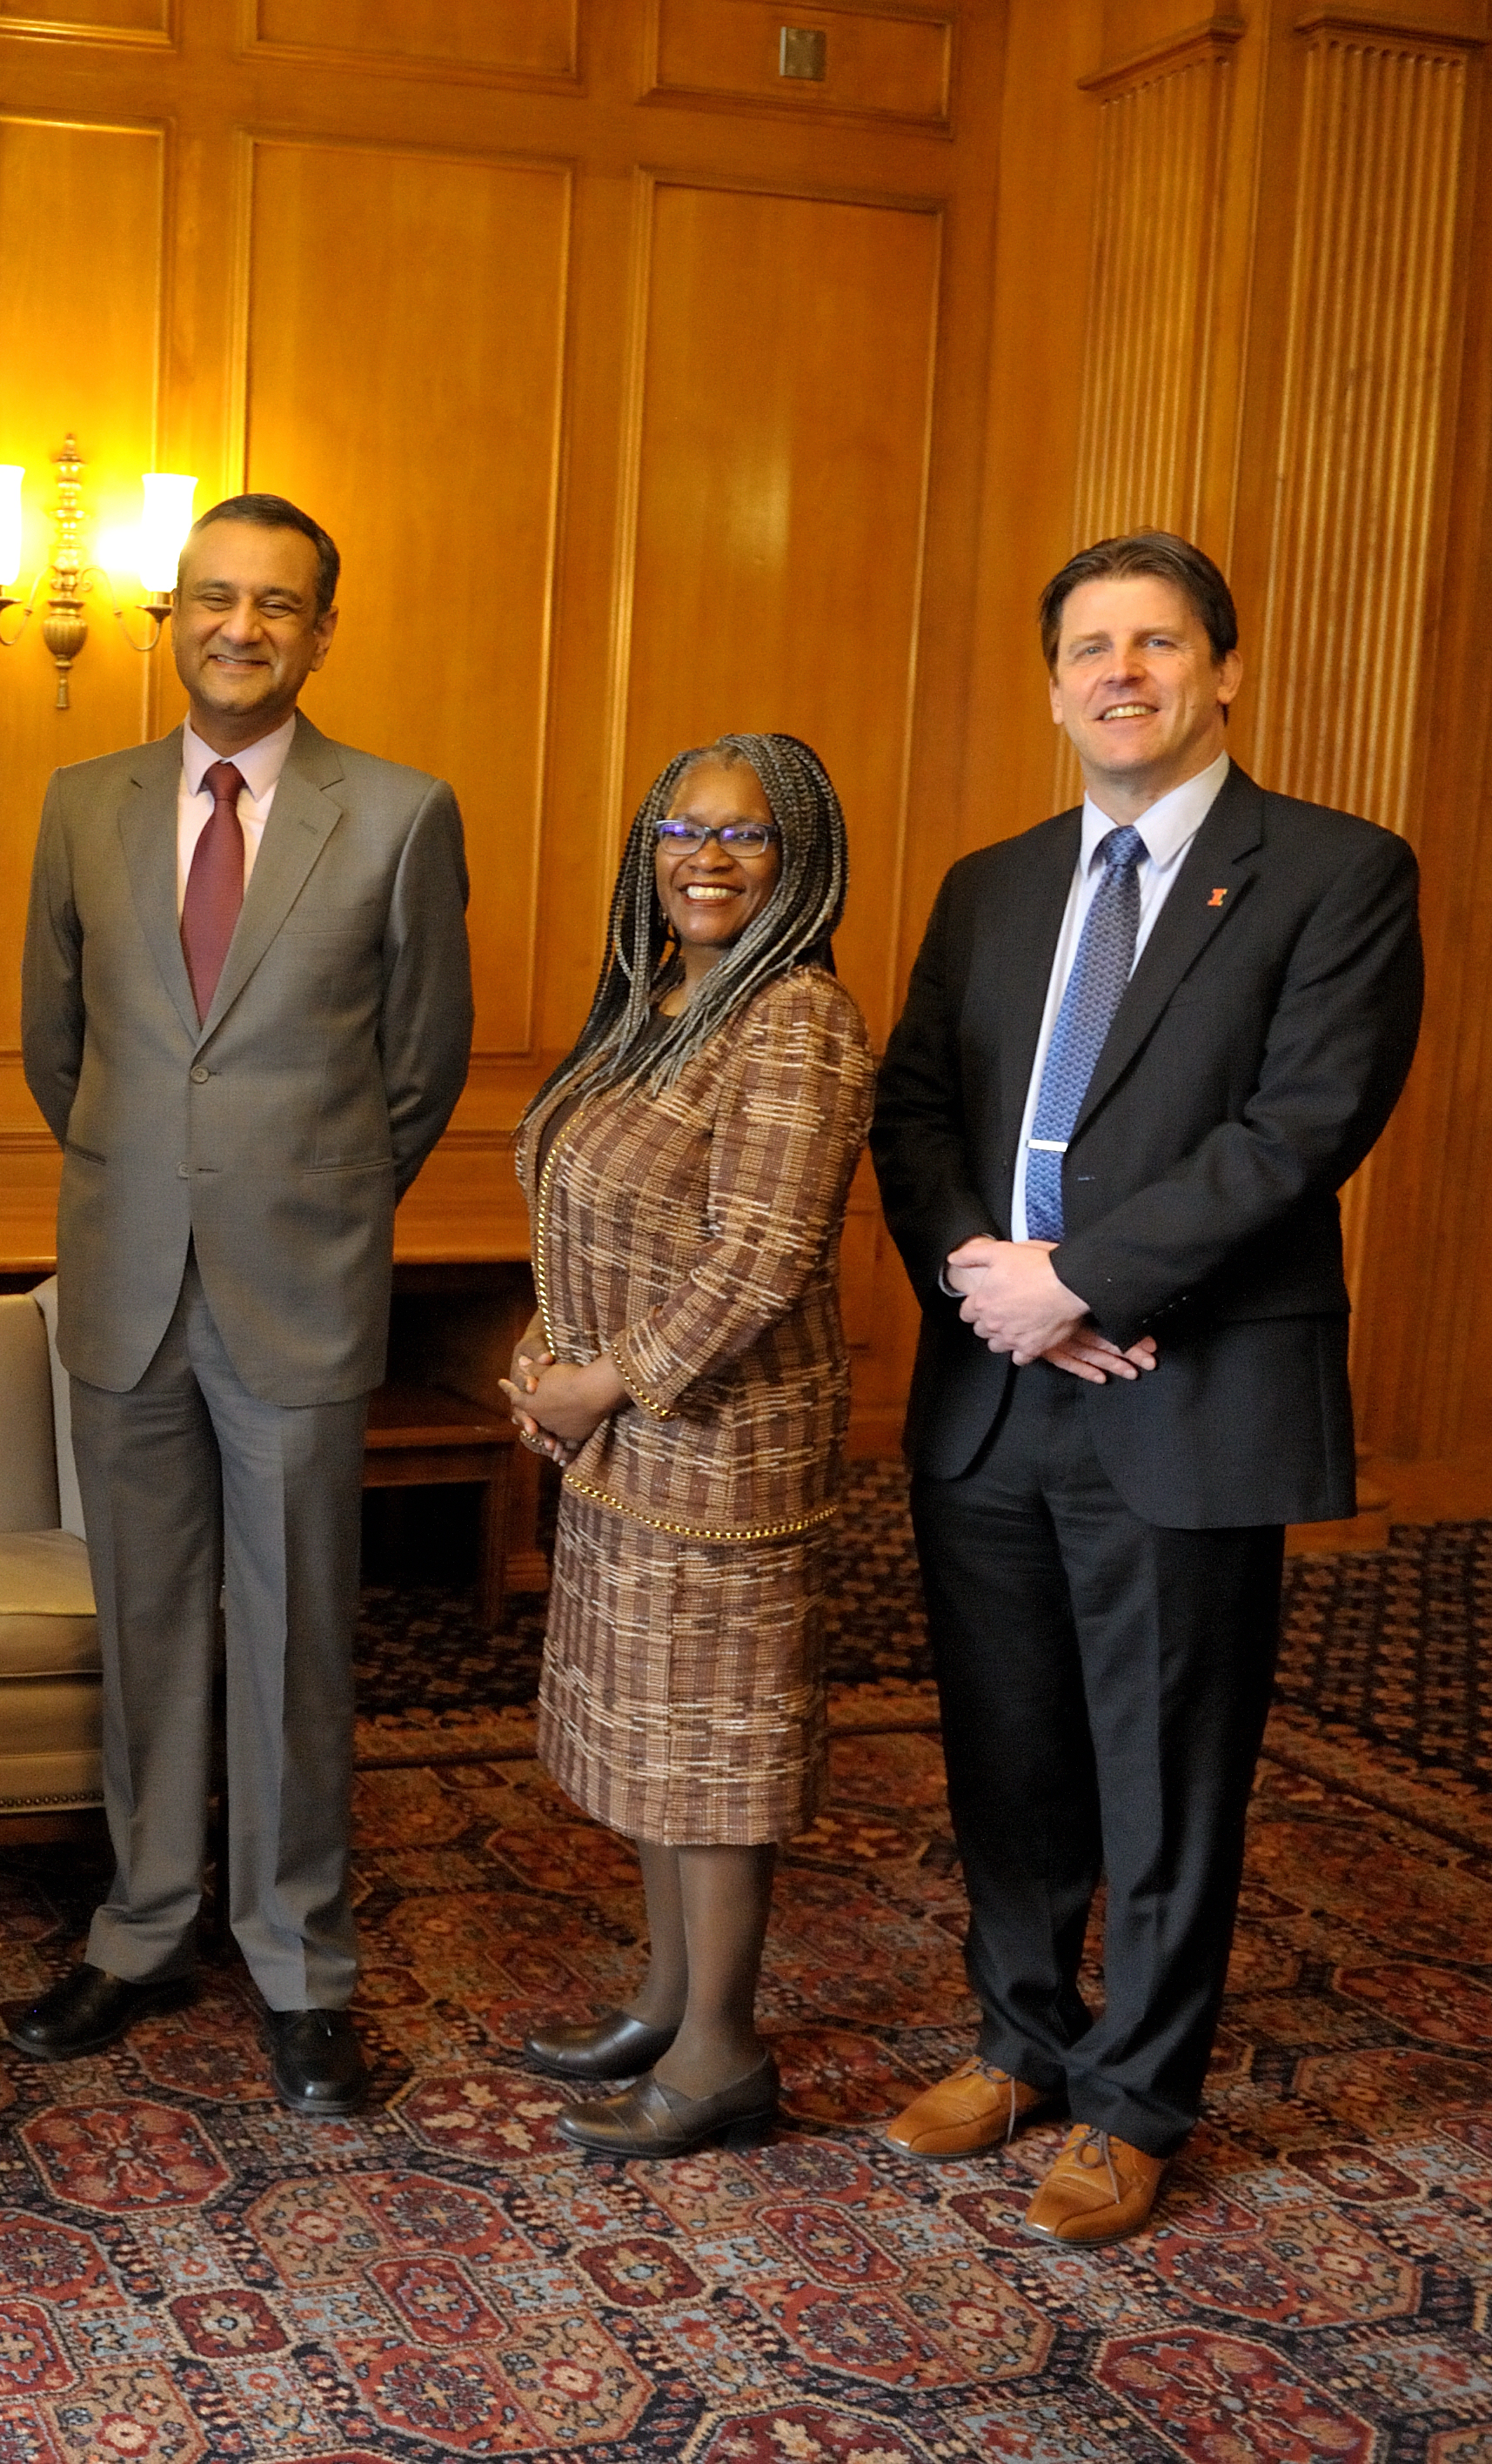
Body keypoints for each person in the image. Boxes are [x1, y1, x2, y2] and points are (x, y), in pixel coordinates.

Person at [870, 532, 1422, 2244]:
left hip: (1182, 1392)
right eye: (1089, 647)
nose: (1120, 672)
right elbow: (912, 1114)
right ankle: (1020, 2045)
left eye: (1156, 644)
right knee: (1008, 1748)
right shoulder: (990, 883)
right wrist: (989, 1282)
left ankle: (1134, 2100)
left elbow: (1301, 1130)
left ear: (1222, 671)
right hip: (992, 1389)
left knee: (1168, 1765)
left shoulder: (1334, 872)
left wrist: (1083, 1283)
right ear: (1053, 685)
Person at [10, 493, 472, 2115]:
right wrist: (156, 1180)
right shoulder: (81, 804)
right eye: (214, 597)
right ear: (171, 614)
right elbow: (59, 1051)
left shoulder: (402, 814)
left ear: (322, 631)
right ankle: (139, 1932)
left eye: (278, 605)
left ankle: (298, 1960)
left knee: (294, 1639)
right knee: (144, 1628)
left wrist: (307, 1191)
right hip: (126, 1281)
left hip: (301, 1286)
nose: (241, 627)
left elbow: (420, 1071)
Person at [493, 734, 872, 2159]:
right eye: (680, 829)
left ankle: (721, 2053)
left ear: (803, 863)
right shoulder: (663, 1001)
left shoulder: (793, 1021)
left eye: (747, 837)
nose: (705, 858)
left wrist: (605, 1381)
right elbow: (584, 1206)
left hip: (721, 1454)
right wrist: (541, 1351)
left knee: (715, 1761)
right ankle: (664, 1998)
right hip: (624, 1444)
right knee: (653, 1744)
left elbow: (763, 1258)